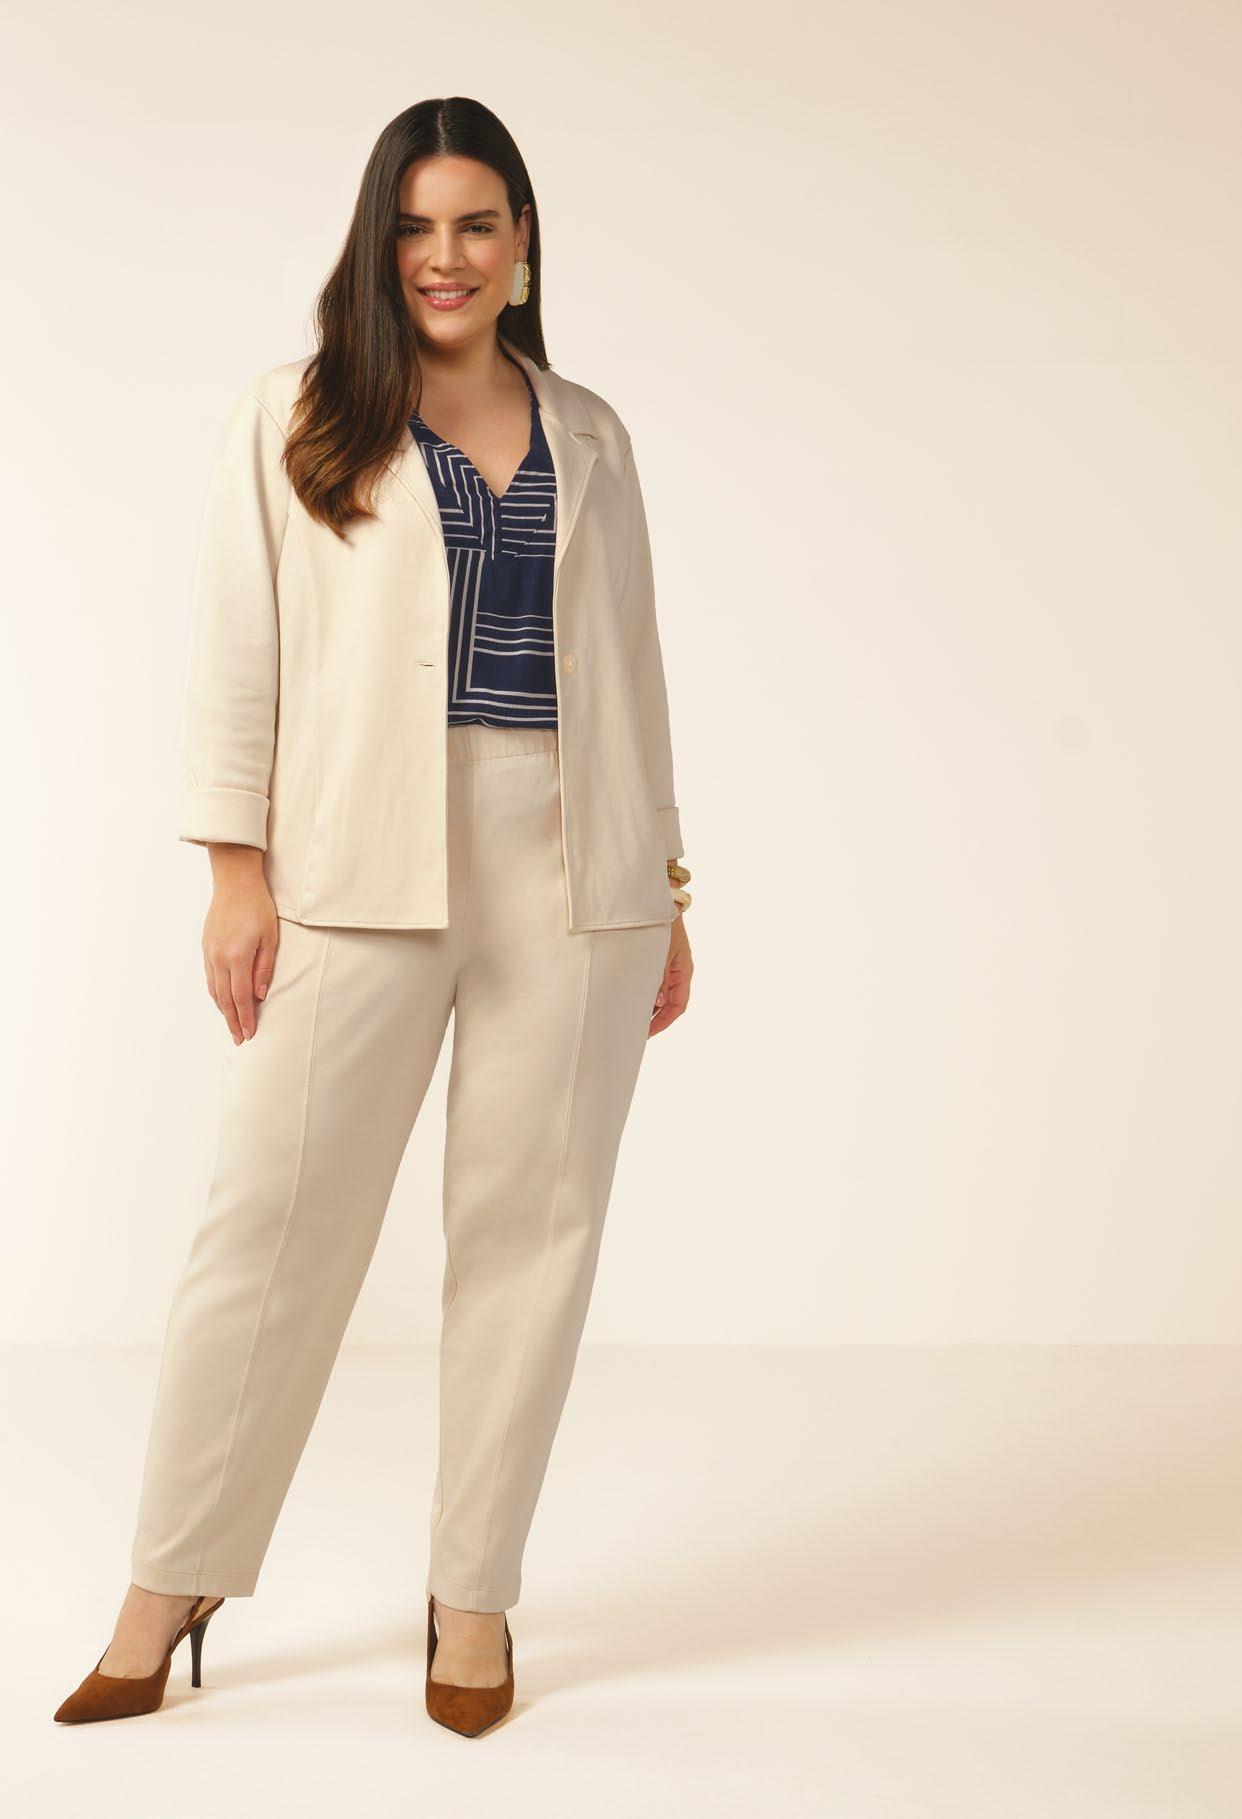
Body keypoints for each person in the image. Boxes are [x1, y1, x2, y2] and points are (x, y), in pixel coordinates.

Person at [53, 95, 693, 1738]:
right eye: (415, 226)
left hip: (579, 865)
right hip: (358, 857)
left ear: (524, 242)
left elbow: (631, 669)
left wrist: (665, 887)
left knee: (532, 1240)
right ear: (377, 240)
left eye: (476, 223)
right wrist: (235, 869)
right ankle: (171, 1577)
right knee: (271, 1225)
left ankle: (472, 1594)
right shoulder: (297, 414)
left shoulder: (593, 433)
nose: (444, 256)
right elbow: (237, 643)